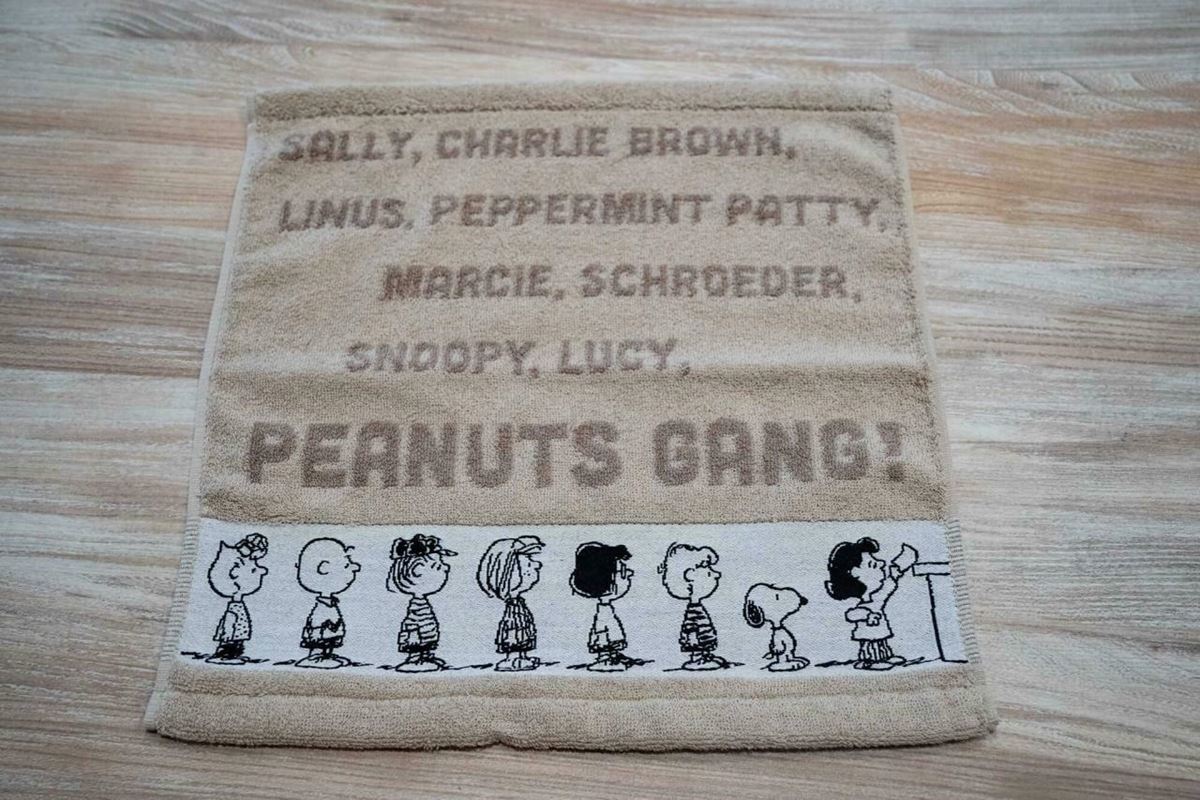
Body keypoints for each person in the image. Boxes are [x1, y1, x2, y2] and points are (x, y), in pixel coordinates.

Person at [825, 537, 917, 670]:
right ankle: (869, 661)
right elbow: (851, 615)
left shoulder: (876, 598)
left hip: (880, 631)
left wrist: (900, 565)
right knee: (871, 646)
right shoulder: (863, 606)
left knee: (882, 643)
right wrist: (867, 616)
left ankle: (885, 656)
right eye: (872, 564)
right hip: (868, 633)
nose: (881, 564)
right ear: (854, 576)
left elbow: (889, 584)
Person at [569, 542, 647, 671]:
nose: (629, 574)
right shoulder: (603, 612)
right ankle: (605, 658)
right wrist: (603, 641)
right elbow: (602, 631)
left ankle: (613, 655)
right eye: (622, 572)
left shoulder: (605, 610)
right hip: (604, 637)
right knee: (605, 633)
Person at [386, 534, 457, 672]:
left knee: (427, 636)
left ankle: (426, 656)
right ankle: (415, 659)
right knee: (419, 639)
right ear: (418, 570)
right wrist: (412, 637)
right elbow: (413, 625)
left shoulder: (421, 605)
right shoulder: (417, 608)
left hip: (424, 630)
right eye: (438, 566)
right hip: (417, 634)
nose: (446, 568)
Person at [657, 542, 730, 670]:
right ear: (690, 575)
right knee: (698, 649)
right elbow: (690, 626)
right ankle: (697, 659)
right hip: (697, 641)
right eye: (709, 572)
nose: (717, 574)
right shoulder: (693, 610)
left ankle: (705, 656)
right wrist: (692, 640)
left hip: (702, 639)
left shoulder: (697, 607)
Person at [476, 536, 545, 671]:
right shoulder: (512, 606)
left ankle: (521, 656)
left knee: (522, 628)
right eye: (529, 559)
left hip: (517, 606)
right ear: (509, 568)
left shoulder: (518, 603)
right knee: (514, 630)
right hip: (513, 610)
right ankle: (512, 658)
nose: (537, 565)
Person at [295, 537, 361, 669]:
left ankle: (328, 655)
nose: (355, 568)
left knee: (331, 634)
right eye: (346, 565)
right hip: (322, 621)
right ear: (324, 568)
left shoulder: (331, 603)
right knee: (321, 634)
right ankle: (316, 656)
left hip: (329, 617)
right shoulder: (321, 608)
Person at [204, 533, 269, 664]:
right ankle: (226, 654)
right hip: (234, 615)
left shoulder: (238, 605)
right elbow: (229, 624)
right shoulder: (234, 608)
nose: (261, 571)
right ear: (234, 574)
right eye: (253, 569)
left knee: (238, 633)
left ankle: (234, 652)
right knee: (233, 631)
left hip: (237, 605)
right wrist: (227, 635)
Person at [742, 583, 809, 671]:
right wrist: (777, 648)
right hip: (780, 649)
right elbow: (777, 644)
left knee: (787, 649)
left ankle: (790, 658)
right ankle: (782, 661)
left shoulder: (780, 630)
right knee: (783, 651)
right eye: (777, 597)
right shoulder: (777, 632)